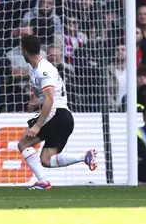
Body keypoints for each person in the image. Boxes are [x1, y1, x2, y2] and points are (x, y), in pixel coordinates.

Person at [17, 35, 97, 190]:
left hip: (56, 114)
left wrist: (37, 126)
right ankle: (84, 157)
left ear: (25, 51)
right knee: (46, 159)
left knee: (23, 143)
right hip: (64, 117)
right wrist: (34, 100)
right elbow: (39, 91)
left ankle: (43, 181)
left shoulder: (44, 69)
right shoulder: (35, 68)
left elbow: (49, 100)